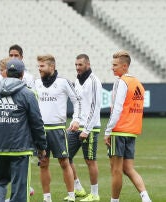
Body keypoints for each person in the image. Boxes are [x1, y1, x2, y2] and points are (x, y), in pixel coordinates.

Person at [0, 58, 47, 202]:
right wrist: (41, 147)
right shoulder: (28, 94)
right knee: (20, 190)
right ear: (22, 74)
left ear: (5, 73)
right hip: (21, 149)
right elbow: (37, 124)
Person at [104, 51, 152, 202]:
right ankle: (145, 197)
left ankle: (114, 200)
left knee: (116, 170)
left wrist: (108, 130)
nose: (112, 68)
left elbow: (117, 109)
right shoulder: (138, 83)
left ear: (125, 66)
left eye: (115, 65)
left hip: (119, 131)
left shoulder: (121, 82)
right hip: (132, 131)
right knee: (128, 168)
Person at [34, 54, 82, 202]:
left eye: (42, 66)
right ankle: (47, 198)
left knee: (64, 162)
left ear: (52, 67)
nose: (39, 69)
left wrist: (76, 119)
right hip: (40, 130)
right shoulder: (35, 83)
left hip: (57, 129)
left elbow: (77, 101)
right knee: (43, 163)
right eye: (39, 66)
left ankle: (71, 196)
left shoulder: (63, 82)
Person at [67, 54, 102, 201]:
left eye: (80, 65)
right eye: (76, 65)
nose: (77, 67)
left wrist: (86, 130)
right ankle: (78, 188)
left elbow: (95, 107)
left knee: (90, 161)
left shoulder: (94, 81)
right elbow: (78, 104)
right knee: (65, 157)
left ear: (88, 64)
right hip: (77, 126)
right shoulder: (77, 80)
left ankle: (94, 194)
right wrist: (74, 120)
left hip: (91, 128)